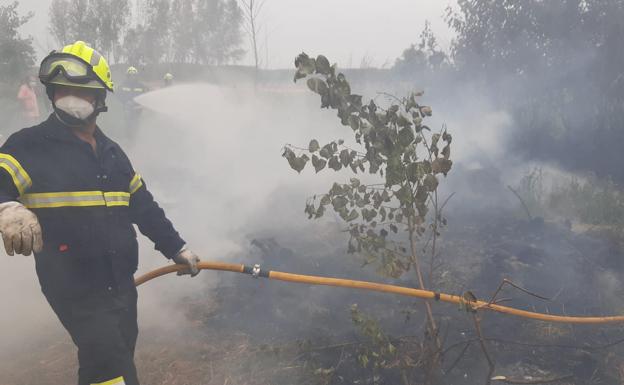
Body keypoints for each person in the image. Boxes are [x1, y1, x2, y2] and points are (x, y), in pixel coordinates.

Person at [0, 41, 201, 385]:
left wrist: (177, 249)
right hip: (73, 286)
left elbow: (144, 207)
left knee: (111, 361)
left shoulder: (112, 153)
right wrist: (7, 206)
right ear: (50, 94)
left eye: (79, 91)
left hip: (120, 282)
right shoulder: (29, 145)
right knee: (112, 370)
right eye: (61, 90)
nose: (69, 98)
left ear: (100, 99)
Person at [119, 66, 146, 135]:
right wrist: (125, 102)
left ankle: (135, 138)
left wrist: (141, 105)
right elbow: (118, 95)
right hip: (127, 109)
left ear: (136, 76)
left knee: (136, 124)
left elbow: (145, 96)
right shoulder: (122, 85)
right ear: (127, 76)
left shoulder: (141, 86)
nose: (132, 77)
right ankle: (128, 138)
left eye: (134, 75)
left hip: (137, 109)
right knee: (128, 124)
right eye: (130, 75)